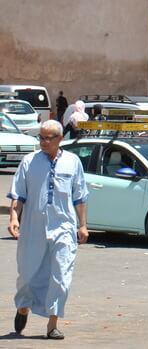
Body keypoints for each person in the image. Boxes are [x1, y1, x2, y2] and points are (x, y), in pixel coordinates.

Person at [7, 120, 89, 340]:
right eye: (41, 137)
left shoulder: (73, 162)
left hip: (63, 226)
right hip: (33, 227)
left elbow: (80, 197)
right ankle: (23, 306)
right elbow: (18, 195)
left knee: (61, 275)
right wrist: (14, 217)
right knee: (27, 274)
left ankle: (52, 324)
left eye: (48, 138)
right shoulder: (29, 162)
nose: (43, 142)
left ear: (60, 139)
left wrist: (82, 225)